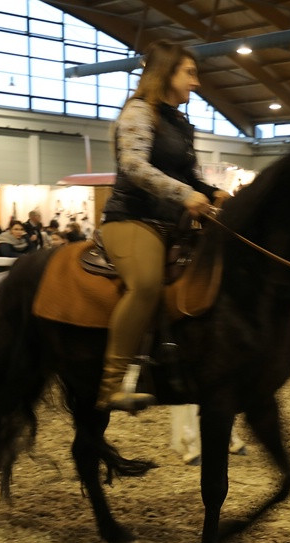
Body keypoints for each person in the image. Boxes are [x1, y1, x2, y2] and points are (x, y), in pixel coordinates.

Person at [97, 40, 228, 413]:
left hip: (173, 222)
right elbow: (134, 167)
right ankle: (111, 385)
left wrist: (216, 193)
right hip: (134, 218)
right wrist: (185, 194)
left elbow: (188, 175)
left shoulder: (180, 123)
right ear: (166, 72)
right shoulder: (138, 112)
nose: (197, 82)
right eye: (190, 72)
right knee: (146, 286)